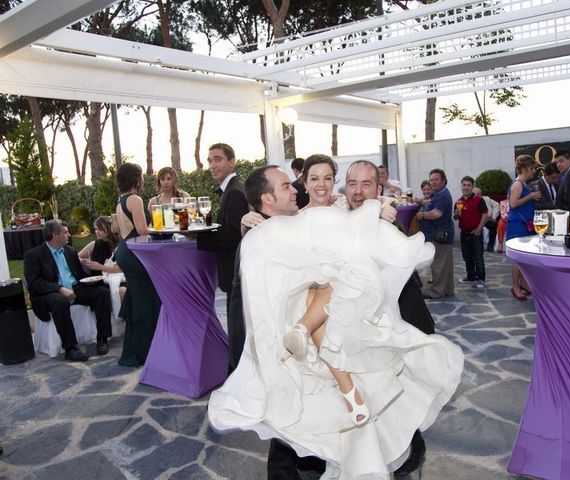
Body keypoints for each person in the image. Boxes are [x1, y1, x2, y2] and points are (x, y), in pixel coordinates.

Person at [209, 164, 463, 480]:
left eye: (329, 178)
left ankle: (392, 450)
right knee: (303, 408)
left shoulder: (351, 216)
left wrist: (382, 215)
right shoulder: (294, 222)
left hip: (358, 333)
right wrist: (254, 221)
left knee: (381, 394)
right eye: (311, 179)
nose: (355, 190)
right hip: (315, 345)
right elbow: (248, 298)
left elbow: (393, 270)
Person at [24, 219, 112, 361]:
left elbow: (80, 275)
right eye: (65, 232)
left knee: (101, 293)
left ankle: (102, 339)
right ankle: (70, 348)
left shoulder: (70, 251)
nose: (69, 235)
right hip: (49, 293)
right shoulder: (33, 256)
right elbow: (34, 283)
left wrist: (93, 280)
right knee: (60, 301)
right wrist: (59, 288)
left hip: (76, 288)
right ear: (54, 235)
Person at [114, 163, 161, 367]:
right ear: (136, 178)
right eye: (141, 176)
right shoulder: (134, 199)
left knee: (137, 300)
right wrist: (161, 229)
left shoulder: (121, 200)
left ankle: (136, 350)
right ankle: (146, 351)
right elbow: (142, 230)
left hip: (125, 250)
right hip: (135, 253)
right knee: (146, 302)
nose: (143, 180)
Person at [197, 143, 249, 312]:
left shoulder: (234, 191)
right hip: (234, 274)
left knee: (237, 332)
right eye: (210, 161)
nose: (212, 166)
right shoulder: (233, 188)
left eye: (217, 160)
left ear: (232, 161)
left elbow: (232, 236)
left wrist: (197, 235)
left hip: (236, 274)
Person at [506, 155, 541, 301]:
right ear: (525, 168)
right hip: (517, 225)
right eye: (532, 168)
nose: (533, 172)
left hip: (524, 224)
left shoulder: (523, 184)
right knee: (518, 259)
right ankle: (515, 286)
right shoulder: (518, 184)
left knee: (523, 258)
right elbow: (513, 204)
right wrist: (531, 196)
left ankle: (523, 283)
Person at [416, 169, 454, 299]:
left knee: (439, 264)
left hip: (441, 234)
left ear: (443, 180)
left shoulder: (443, 195)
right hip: (440, 233)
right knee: (444, 264)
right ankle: (447, 289)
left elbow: (436, 214)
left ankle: (437, 291)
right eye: (431, 180)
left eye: (436, 179)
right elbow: (427, 203)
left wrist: (421, 215)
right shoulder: (437, 194)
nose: (433, 182)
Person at [454, 177, 488, 288]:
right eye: (464, 185)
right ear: (461, 186)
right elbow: (455, 218)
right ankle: (470, 276)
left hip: (476, 233)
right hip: (464, 233)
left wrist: (479, 229)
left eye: (468, 185)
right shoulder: (459, 201)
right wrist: (456, 214)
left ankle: (481, 279)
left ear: (472, 187)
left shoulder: (478, 199)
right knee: (467, 257)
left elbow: (485, 215)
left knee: (478, 256)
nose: (466, 187)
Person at [476, 187, 499, 252]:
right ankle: (478, 246)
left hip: (487, 219)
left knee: (494, 225)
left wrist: (494, 216)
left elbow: (496, 205)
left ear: (480, 194)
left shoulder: (486, 199)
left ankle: (490, 245)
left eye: (478, 194)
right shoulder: (471, 200)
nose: (476, 196)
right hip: (476, 220)